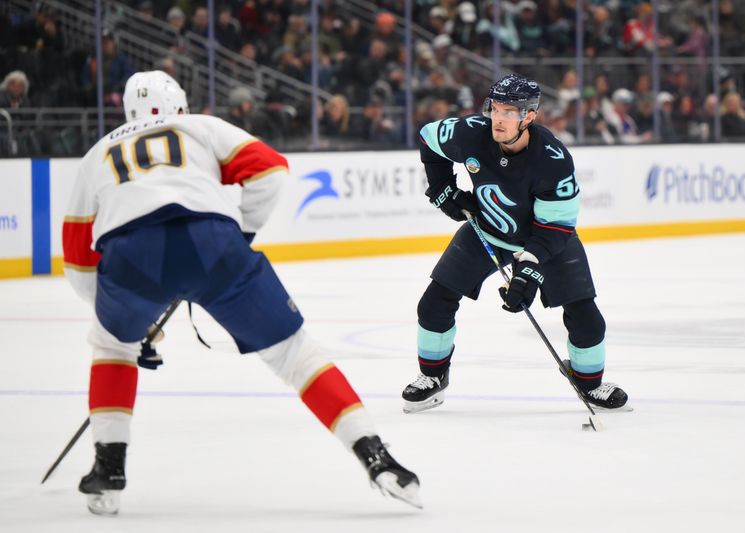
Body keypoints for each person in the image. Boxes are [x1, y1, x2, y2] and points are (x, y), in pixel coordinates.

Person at [62, 71, 421, 516]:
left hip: (131, 256)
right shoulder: (199, 126)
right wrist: (240, 232)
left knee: (111, 348)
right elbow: (271, 169)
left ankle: (109, 468)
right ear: (179, 104)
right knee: (296, 355)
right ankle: (375, 456)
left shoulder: (97, 153)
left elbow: (78, 262)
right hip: (212, 241)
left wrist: (129, 325)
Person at [401, 74, 628, 414]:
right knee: (433, 303)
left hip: (547, 238)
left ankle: (589, 383)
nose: (499, 118)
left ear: (529, 117)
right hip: (488, 230)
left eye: (510, 111)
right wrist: (441, 188)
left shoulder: (553, 159)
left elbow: (555, 227)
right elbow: (428, 138)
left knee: (586, 316)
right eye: (495, 108)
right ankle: (433, 378)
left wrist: (529, 270)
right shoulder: (472, 133)